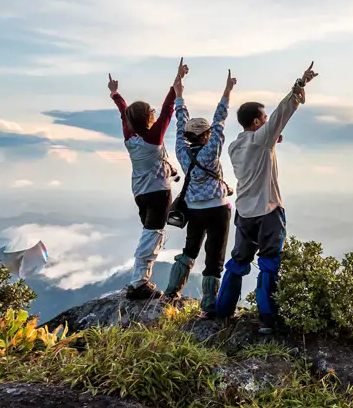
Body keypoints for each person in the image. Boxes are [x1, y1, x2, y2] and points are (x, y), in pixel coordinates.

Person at [214, 62, 319, 334]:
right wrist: (299, 86)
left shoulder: (236, 146)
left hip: (244, 213)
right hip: (268, 210)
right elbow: (281, 115)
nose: (267, 118)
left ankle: (223, 310)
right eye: (263, 117)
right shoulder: (261, 140)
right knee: (270, 264)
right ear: (258, 122)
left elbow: (263, 139)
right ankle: (267, 321)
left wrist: (272, 140)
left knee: (238, 262)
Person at [108, 58, 188, 300]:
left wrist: (115, 94)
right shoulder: (153, 139)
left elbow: (124, 114)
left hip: (140, 194)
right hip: (158, 194)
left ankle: (140, 279)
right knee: (153, 234)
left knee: (150, 231)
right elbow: (167, 110)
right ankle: (139, 282)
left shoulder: (129, 138)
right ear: (148, 118)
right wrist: (176, 85)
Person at [164, 69, 237, 318]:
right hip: (218, 209)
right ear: (206, 136)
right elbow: (220, 121)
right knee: (214, 257)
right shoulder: (211, 149)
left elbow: (179, 121)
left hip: (194, 210)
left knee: (190, 250)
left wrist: (179, 95)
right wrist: (227, 92)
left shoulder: (181, 152)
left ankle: (171, 292)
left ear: (186, 135)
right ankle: (208, 307)